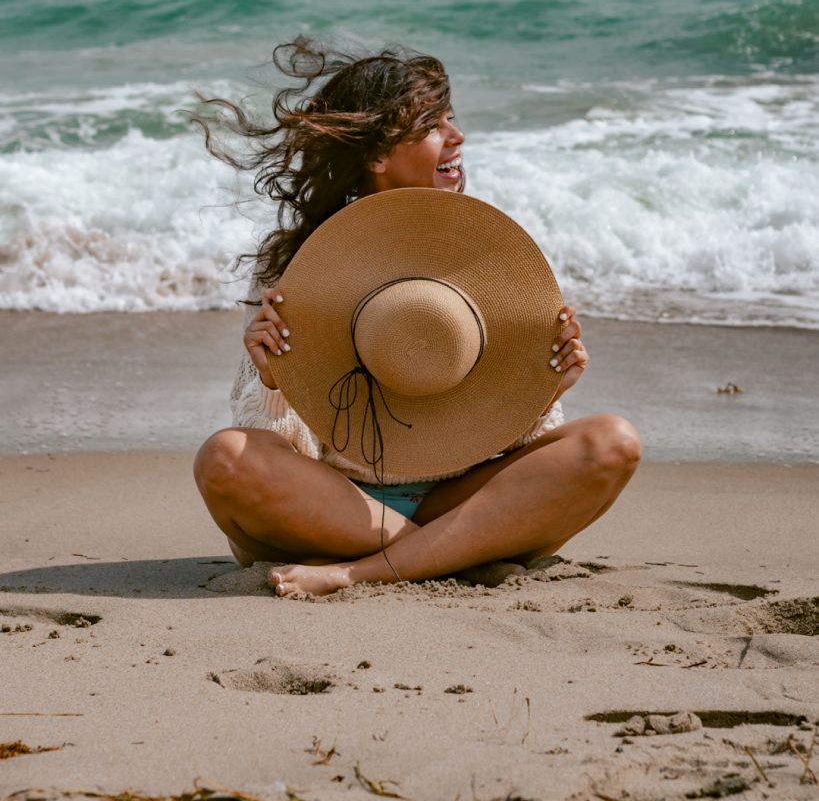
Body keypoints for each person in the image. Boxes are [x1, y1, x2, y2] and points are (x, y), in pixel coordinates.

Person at [193, 39, 641, 598]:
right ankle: (455, 550)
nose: (458, 137)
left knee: (611, 442)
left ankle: (360, 570)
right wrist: (276, 383)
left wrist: (545, 391)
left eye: (452, 119)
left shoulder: (489, 256)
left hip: (454, 494)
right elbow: (271, 443)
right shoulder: (300, 266)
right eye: (435, 125)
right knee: (226, 459)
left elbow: (507, 439)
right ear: (378, 155)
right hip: (332, 502)